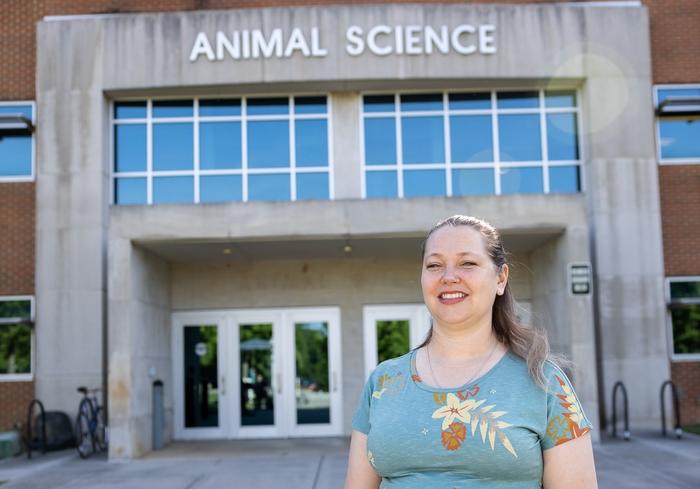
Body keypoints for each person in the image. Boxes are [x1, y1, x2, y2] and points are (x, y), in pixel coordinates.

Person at [344, 215, 597, 489]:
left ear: (500, 278)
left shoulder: (545, 382)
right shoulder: (383, 382)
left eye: (467, 263)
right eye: (434, 265)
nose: (449, 277)